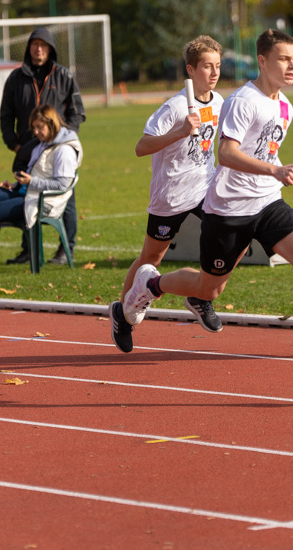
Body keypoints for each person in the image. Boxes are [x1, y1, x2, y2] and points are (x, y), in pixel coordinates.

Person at [120, 30, 293, 383]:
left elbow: (262, 152)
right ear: (262, 61)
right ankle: (152, 286)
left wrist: (274, 172)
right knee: (208, 288)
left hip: (267, 201)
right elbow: (226, 153)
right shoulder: (243, 100)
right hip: (228, 210)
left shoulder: (285, 106)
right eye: (284, 59)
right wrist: (275, 168)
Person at [109, 35, 225, 353]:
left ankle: (200, 295)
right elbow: (141, 147)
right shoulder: (174, 107)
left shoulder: (220, 103)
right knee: (152, 257)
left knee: (227, 238)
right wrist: (180, 132)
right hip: (171, 194)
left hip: (207, 187)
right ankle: (123, 312)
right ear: (191, 69)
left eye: (217, 66)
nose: (213, 73)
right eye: (206, 66)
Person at [0, 105, 82, 276]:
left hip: (43, 202)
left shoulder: (64, 150)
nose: (35, 132)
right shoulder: (44, 144)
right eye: (34, 127)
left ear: (52, 124)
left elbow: (63, 185)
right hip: (28, 193)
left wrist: (31, 181)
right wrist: (16, 185)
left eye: (39, 127)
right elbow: (37, 173)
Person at [0, 27, 86, 266]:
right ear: (28, 48)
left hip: (57, 152)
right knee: (26, 194)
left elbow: (78, 113)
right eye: (35, 44)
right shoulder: (16, 78)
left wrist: (63, 141)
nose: (39, 49)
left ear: (50, 49)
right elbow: (6, 115)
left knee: (65, 197)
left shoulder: (64, 76)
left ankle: (65, 249)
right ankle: (29, 250)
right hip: (26, 152)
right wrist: (15, 145)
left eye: (43, 45)